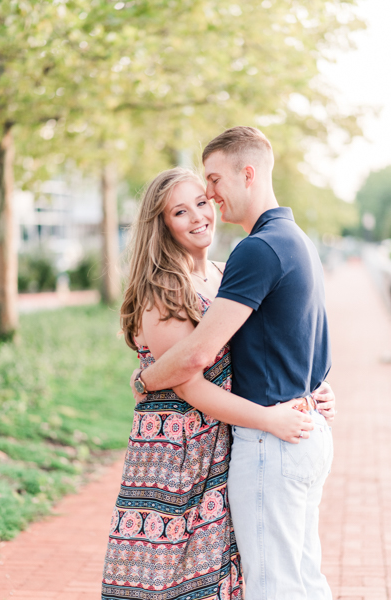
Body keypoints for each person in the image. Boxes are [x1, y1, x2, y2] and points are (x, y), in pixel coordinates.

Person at [101, 166, 335, 600]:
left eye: (201, 203)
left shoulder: (227, 272)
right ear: (162, 225)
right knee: (168, 574)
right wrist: (269, 420)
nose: (197, 217)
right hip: (177, 451)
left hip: (223, 439)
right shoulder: (163, 289)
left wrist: (313, 386)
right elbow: (192, 386)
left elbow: (274, 338)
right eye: (180, 211)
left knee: (225, 574)